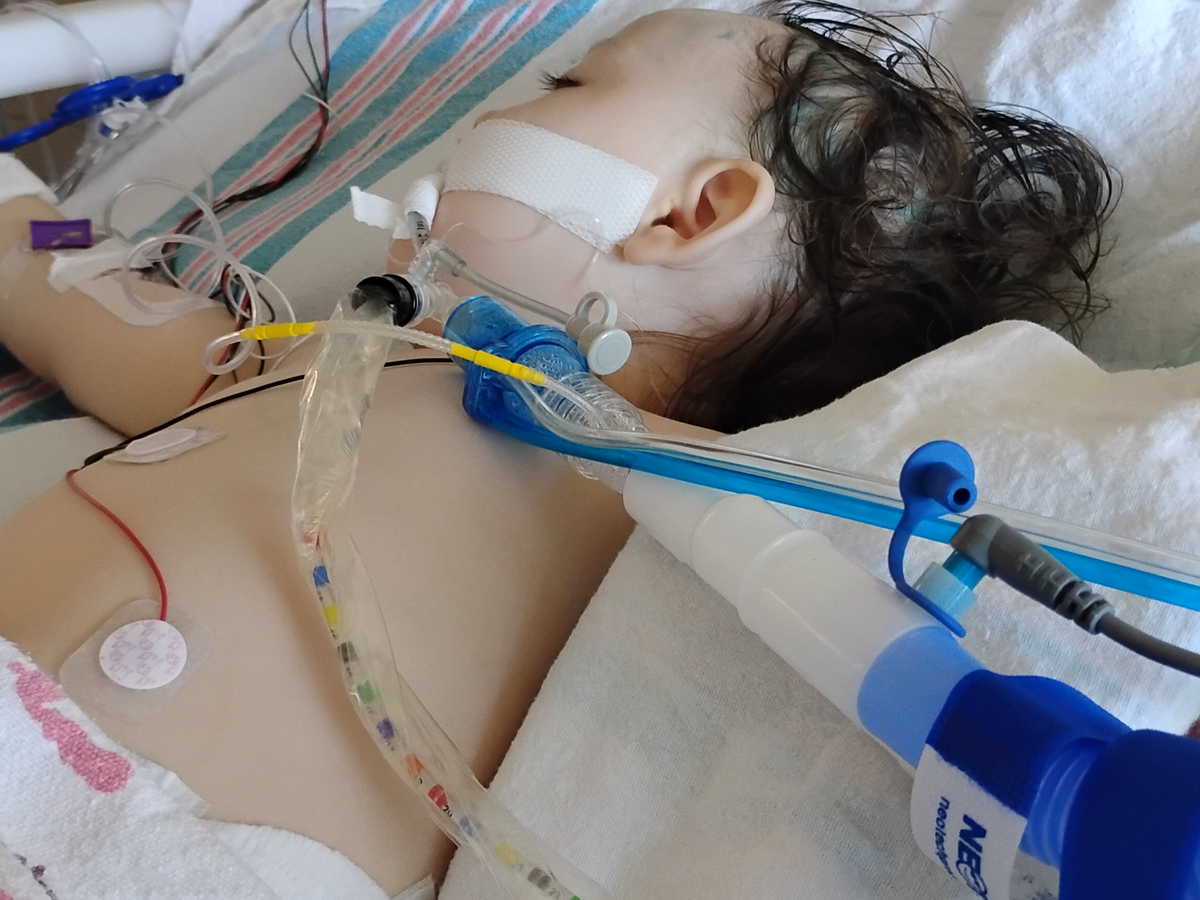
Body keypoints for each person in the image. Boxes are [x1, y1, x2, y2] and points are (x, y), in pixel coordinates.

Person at [0, 3, 1113, 894]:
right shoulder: (298, 362)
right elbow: (61, 277)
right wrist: (29, 211)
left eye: (566, 83)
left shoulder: (685, 498)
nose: (490, 114)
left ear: (685, 214)